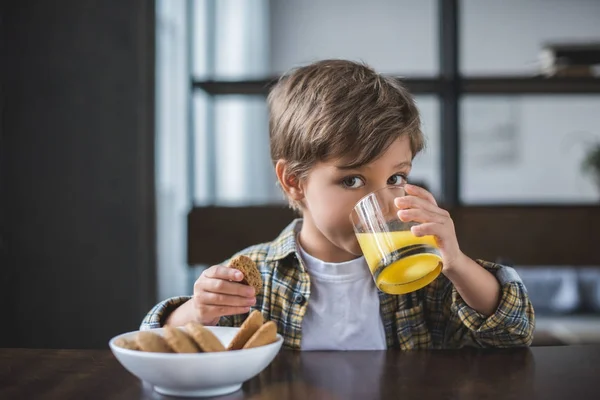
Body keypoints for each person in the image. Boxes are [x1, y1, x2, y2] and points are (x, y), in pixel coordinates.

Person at [141, 60, 534, 350]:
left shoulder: (427, 277)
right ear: (294, 182)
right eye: (352, 181)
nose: (383, 205)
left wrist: (459, 264)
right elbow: (153, 343)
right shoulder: (253, 280)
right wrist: (197, 310)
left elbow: (513, 335)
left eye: (396, 178)